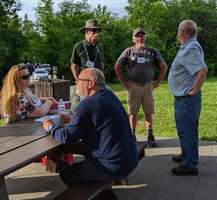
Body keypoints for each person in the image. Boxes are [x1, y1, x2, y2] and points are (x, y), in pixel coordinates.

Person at [43, 68, 138, 199]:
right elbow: (99, 121)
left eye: (79, 79)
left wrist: (50, 127)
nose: (76, 82)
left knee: (66, 174)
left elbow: (67, 137)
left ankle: (102, 196)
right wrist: (74, 120)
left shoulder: (87, 104)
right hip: (130, 160)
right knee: (88, 158)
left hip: (113, 166)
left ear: (91, 83)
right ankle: (107, 194)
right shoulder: (109, 95)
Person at [114, 27, 167, 147]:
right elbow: (117, 66)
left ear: (145, 38)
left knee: (149, 112)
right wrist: (124, 83)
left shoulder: (152, 51)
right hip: (134, 86)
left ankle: (150, 136)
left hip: (148, 86)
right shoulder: (128, 51)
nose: (140, 38)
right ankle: (132, 135)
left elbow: (164, 66)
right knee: (133, 113)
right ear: (133, 39)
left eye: (142, 36)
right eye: (137, 36)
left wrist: (158, 82)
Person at [168, 20, 208, 175]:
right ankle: (187, 155)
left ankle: (190, 164)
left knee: (188, 131)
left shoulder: (190, 48)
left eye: (178, 29)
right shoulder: (188, 46)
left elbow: (202, 70)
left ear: (182, 32)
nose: (178, 32)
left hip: (187, 99)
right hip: (183, 99)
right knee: (184, 131)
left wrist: (194, 90)